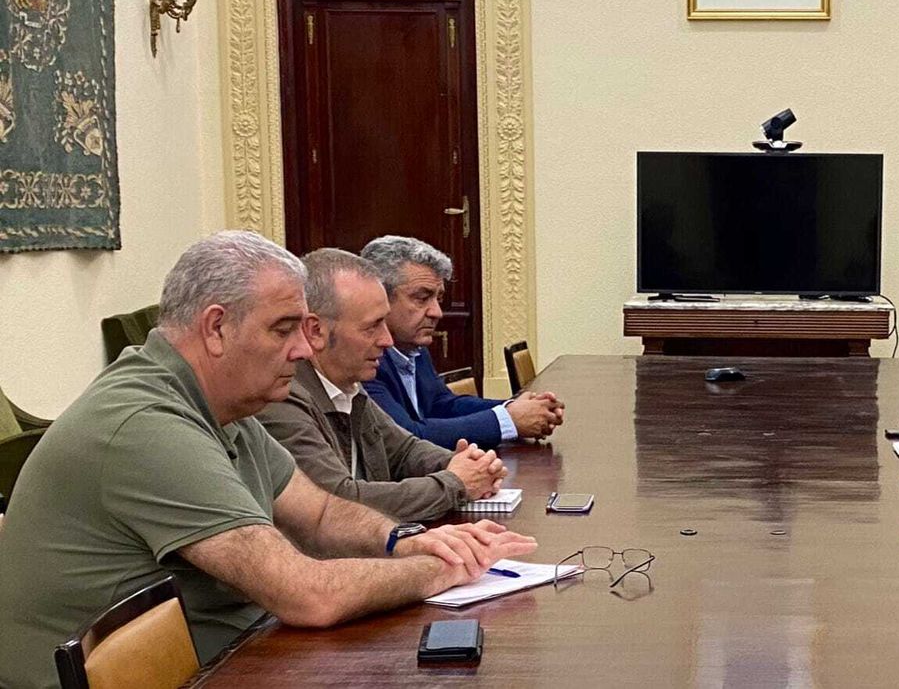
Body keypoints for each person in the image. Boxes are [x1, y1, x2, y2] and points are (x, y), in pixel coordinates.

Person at [0, 232, 536, 689]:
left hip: (226, 655)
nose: (304, 350)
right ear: (216, 328)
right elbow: (306, 595)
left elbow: (320, 514)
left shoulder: (222, 403)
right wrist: (443, 568)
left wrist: (408, 540)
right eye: (283, 329)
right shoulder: (145, 426)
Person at [258, 249, 507, 522]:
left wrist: (468, 466)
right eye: (372, 327)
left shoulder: (349, 385)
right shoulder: (282, 395)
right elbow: (339, 501)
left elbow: (404, 450)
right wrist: (455, 483)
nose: (387, 341)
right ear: (316, 331)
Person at [361, 236, 563, 450]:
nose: (437, 312)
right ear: (379, 298)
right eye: (422, 298)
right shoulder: (363, 359)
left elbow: (442, 405)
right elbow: (408, 437)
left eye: (438, 299)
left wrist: (518, 408)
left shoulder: (412, 346)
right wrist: (509, 420)